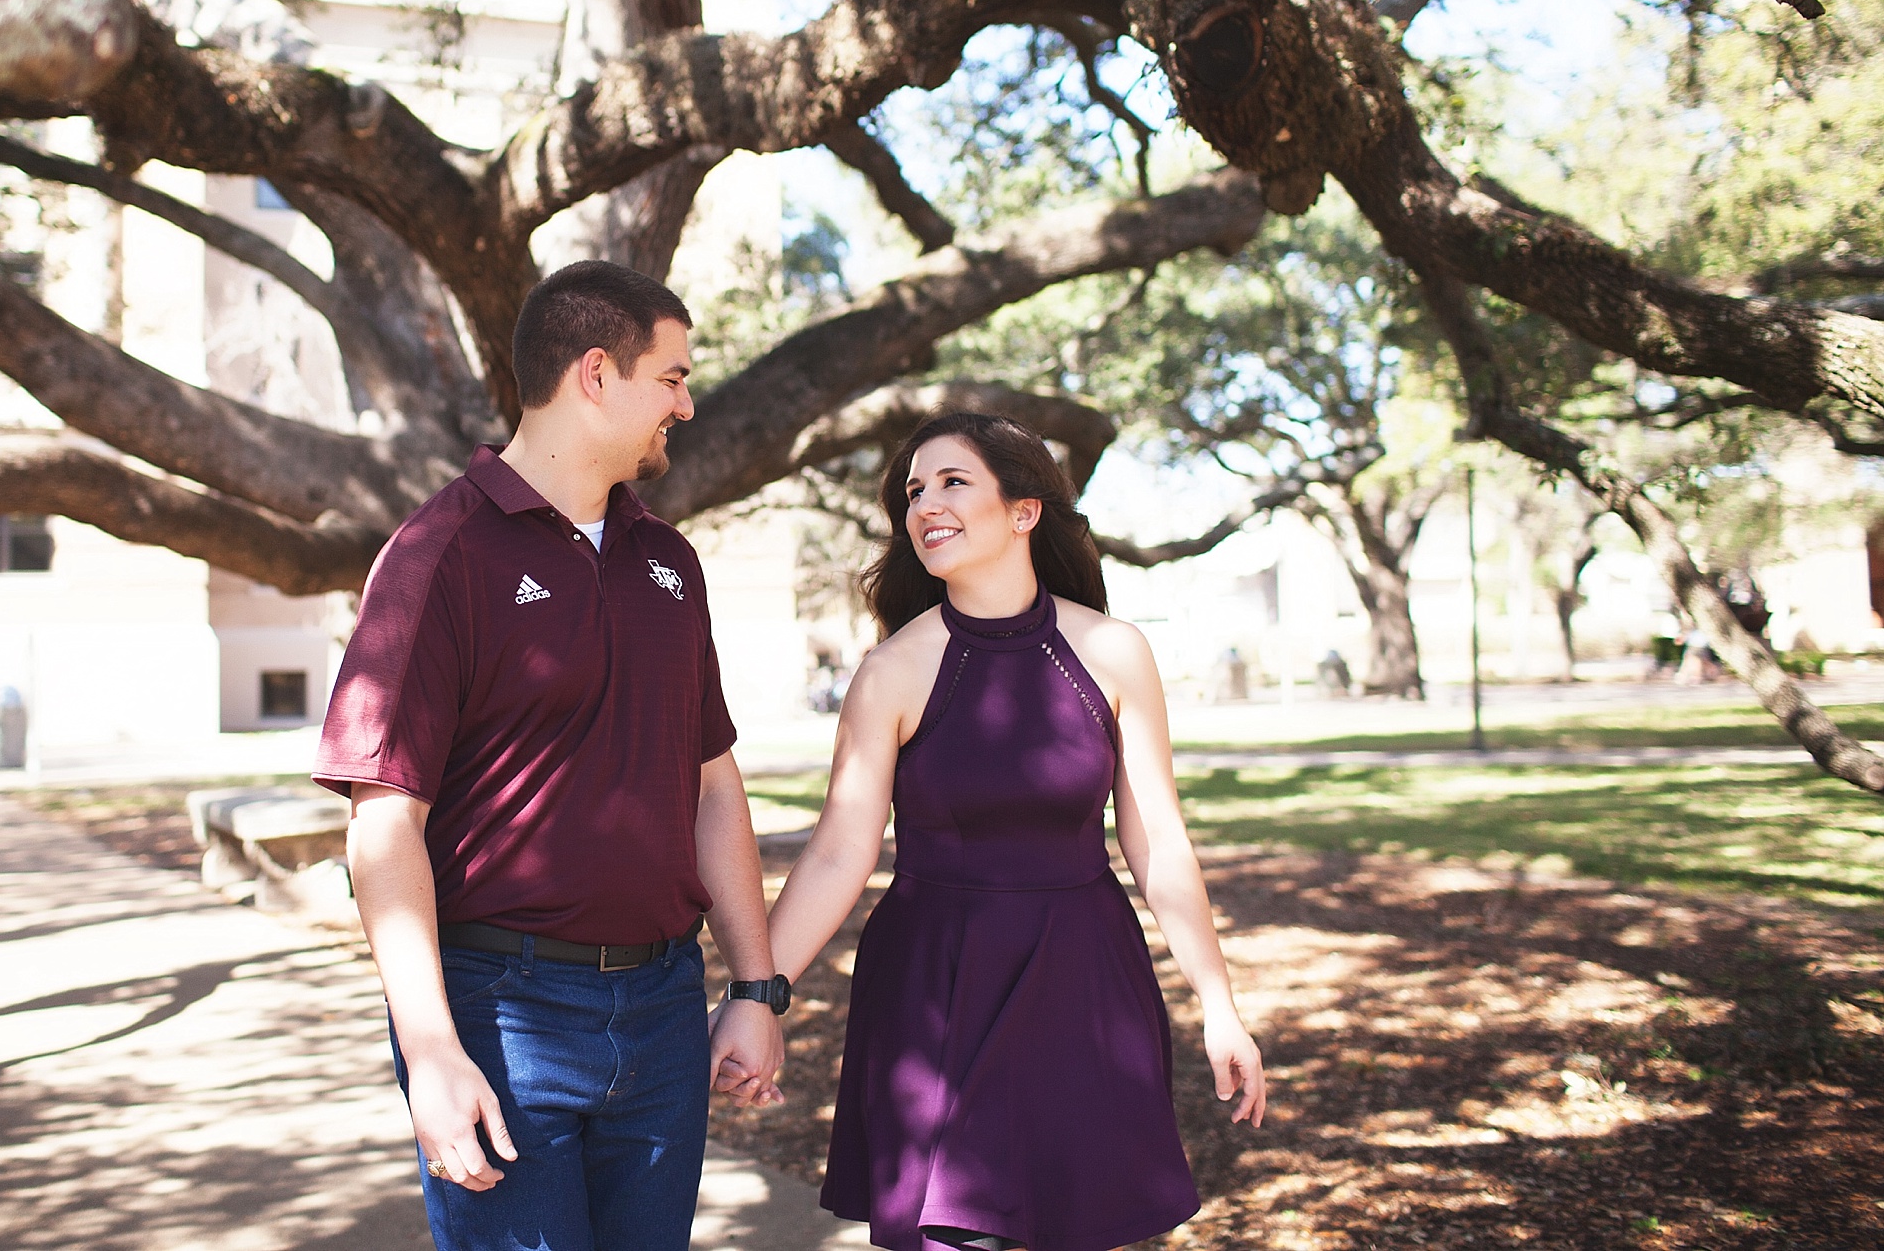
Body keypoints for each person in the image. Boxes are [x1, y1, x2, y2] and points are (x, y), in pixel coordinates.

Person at [313, 259, 785, 1251]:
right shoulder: (439, 555)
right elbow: (383, 819)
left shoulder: (672, 563)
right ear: (595, 375)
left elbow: (713, 787)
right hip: (502, 1009)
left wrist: (753, 987)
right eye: (673, 377)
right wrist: (431, 1048)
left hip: (662, 1010)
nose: (688, 405)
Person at [749, 412, 1267, 1251]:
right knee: (953, 1234)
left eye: (954, 482)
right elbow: (841, 849)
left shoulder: (1113, 651)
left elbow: (1158, 843)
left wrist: (1219, 1004)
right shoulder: (890, 672)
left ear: (1024, 511)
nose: (926, 504)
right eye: (914, 490)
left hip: (1083, 978)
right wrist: (755, 993)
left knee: (1078, 1225)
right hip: (933, 988)